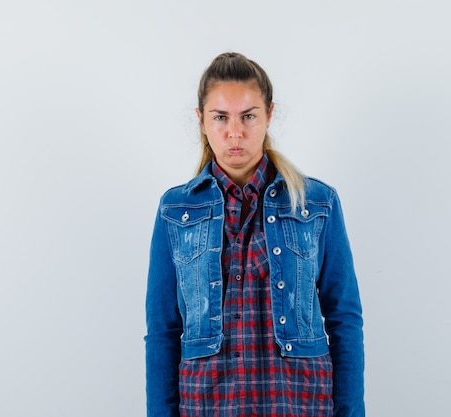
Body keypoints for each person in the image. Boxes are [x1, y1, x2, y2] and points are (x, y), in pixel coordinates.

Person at [145, 52, 364, 417]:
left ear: (269, 115)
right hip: (209, 405)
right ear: (201, 120)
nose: (235, 133)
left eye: (248, 116)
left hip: (299, 403)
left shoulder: (317, 204)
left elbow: (344, 318)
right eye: (220, 117)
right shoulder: (176, 211)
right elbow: (162, 332)